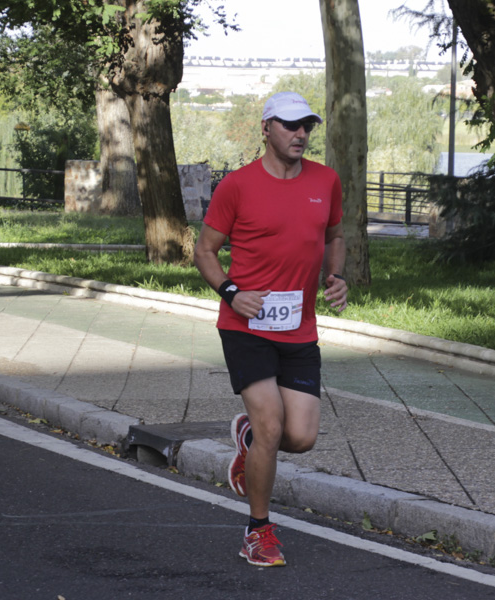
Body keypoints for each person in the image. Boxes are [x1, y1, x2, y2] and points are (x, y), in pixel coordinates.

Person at [192, 91, 347, 568]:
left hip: (299, 327)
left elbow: (334, 235)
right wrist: (231, 292)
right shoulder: (238, 186)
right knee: (272, 424)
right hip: (247, 325)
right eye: (290, 124)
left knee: (300, 437)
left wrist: (334, 277)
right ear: (266, 128)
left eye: (307, 126)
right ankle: (258, 532)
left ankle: (248, 443)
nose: (300, 133)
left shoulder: (326, 180)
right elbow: (204, 250)